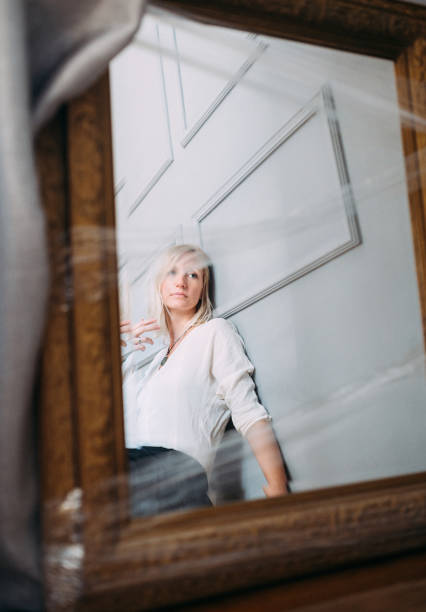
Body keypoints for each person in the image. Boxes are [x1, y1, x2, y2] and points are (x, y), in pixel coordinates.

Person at [121, 244, 288, 515]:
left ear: (202, 289)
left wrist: (277, 485)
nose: (181, 282)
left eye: (193, 275)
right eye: (172, 272)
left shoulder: (214, 333)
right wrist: (119, 348)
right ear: (159, 285)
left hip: (175, 474)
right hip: (138, 480)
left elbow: (249, 413)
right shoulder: (154, 364)